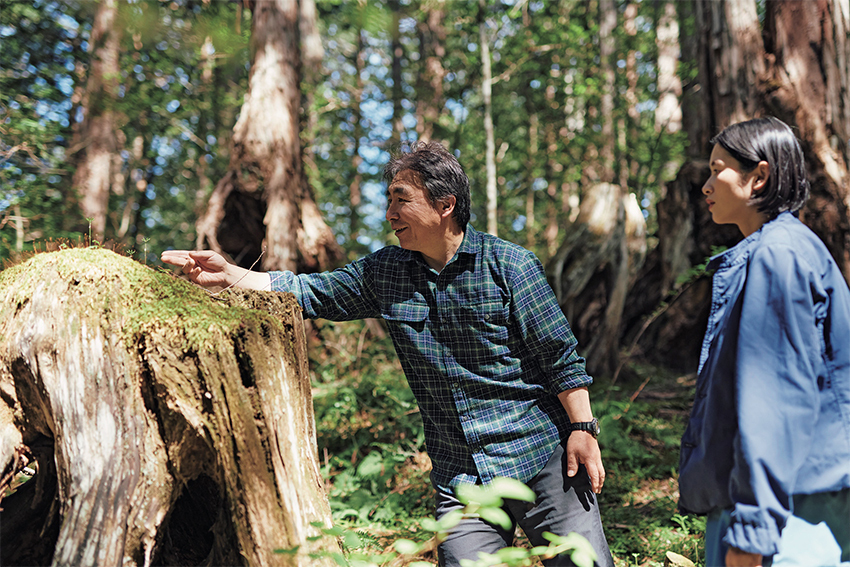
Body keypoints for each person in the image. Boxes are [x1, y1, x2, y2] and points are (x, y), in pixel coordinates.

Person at [162, 141, 614, 567]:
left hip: (541, 455)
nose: (390, 213)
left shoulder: (510, 265)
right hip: (462, 477)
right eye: (389, 200)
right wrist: (232, 277)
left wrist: (581, 428)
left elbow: (560, 355)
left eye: (401, 199)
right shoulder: (385, 272)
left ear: (445, 204)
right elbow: (312, 291)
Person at [678, 117, 850, 567]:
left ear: (759, 176)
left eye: (719, 170)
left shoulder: (778, 255)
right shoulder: (788, 248)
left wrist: (754, 530)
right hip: (793, 499)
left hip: (791, 511)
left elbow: (776, 396)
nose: (707, 185)